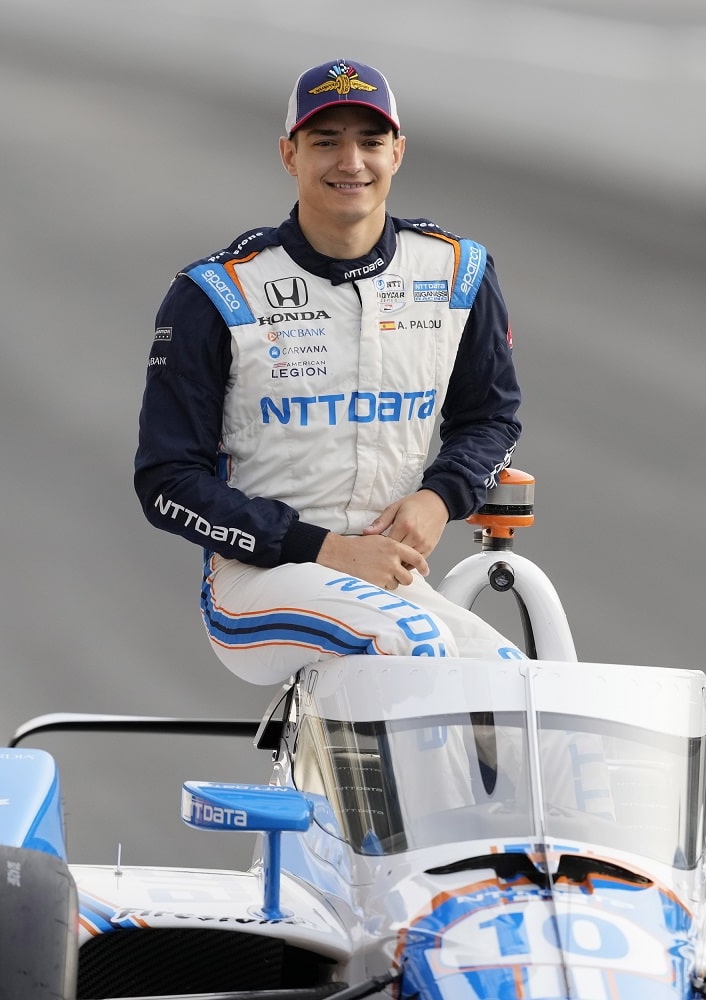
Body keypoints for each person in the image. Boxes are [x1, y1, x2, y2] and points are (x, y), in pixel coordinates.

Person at [134, 59, 524, 686]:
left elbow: (491, 417)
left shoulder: (456, 272)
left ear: (398, 152)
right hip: (256, 580)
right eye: (325, 141)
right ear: (289, 154)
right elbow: (165, 482)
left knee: (522, 684)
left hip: (388, 579)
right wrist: (324, 549)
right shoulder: (216, 291)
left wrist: (439, 496)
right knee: (416, 647)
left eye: (370, 141)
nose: (351, 162)